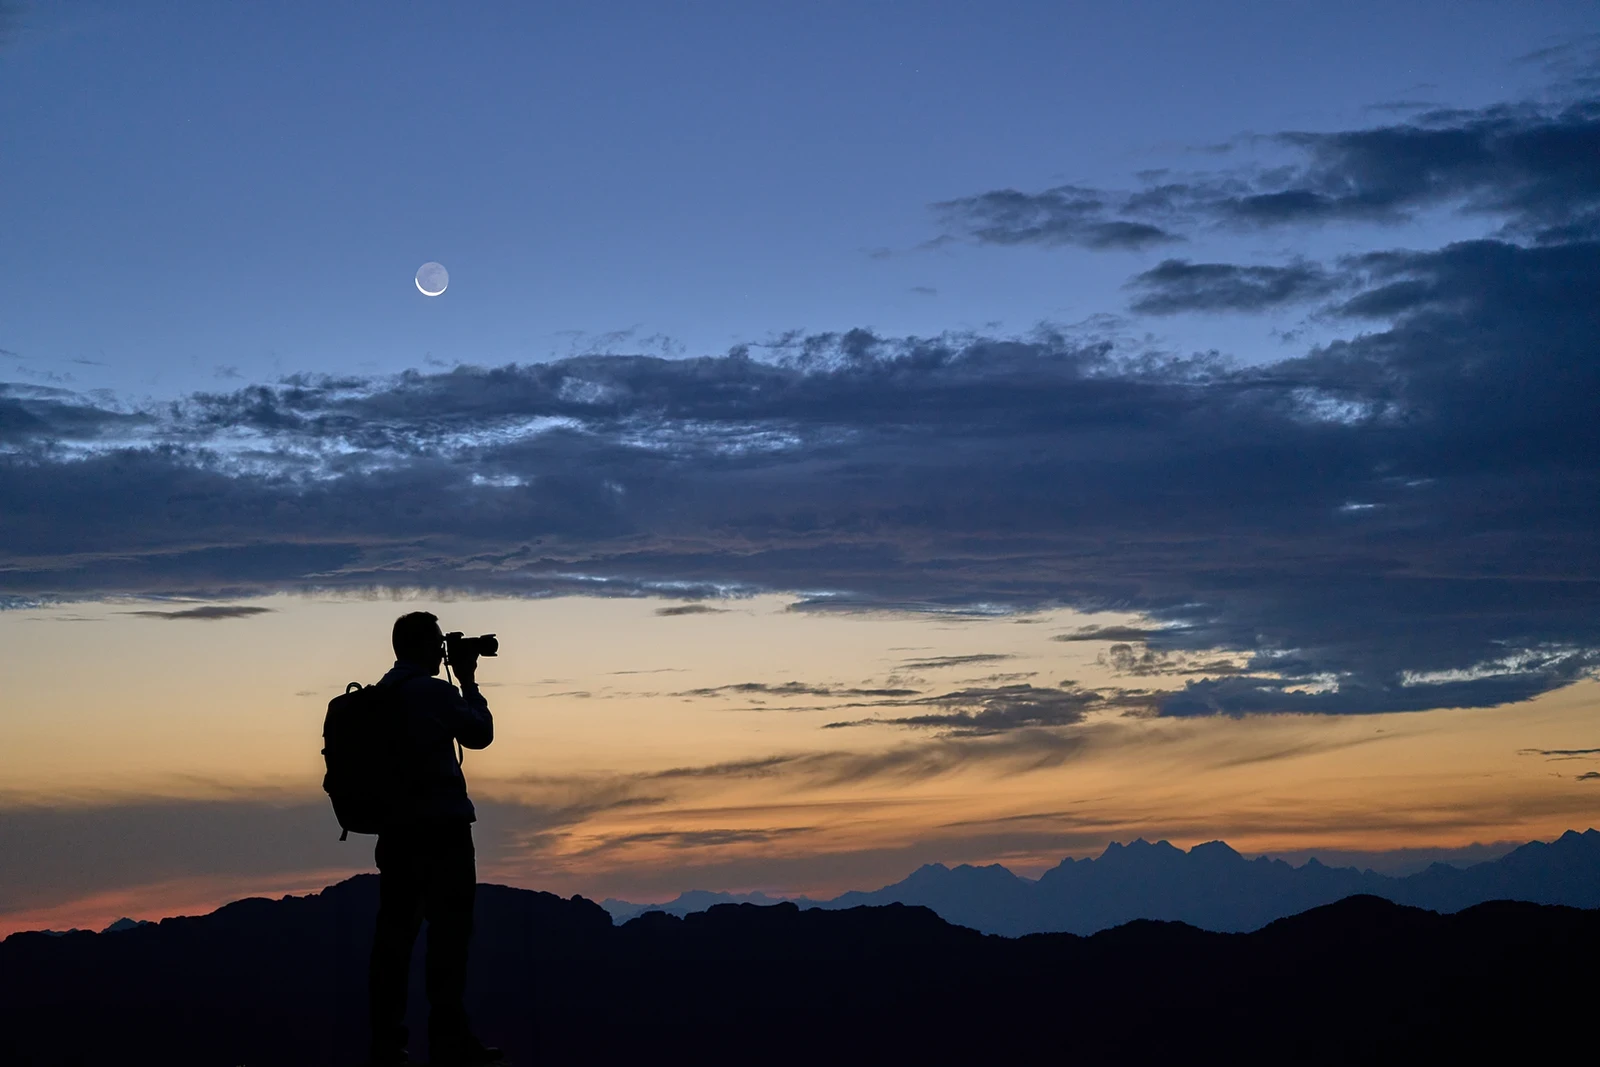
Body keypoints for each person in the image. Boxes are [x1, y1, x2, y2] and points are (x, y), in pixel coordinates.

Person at [367, 611, 501, 1067]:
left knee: (394, 939)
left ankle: (387, 1043)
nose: (443, 650)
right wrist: (468, 679)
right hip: (443, 833)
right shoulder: (432, 691)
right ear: (424, 645)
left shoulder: (381, 694)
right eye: (440, 642)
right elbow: (480, 735)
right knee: (449, 938)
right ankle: (450, 1041)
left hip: (396, 834)